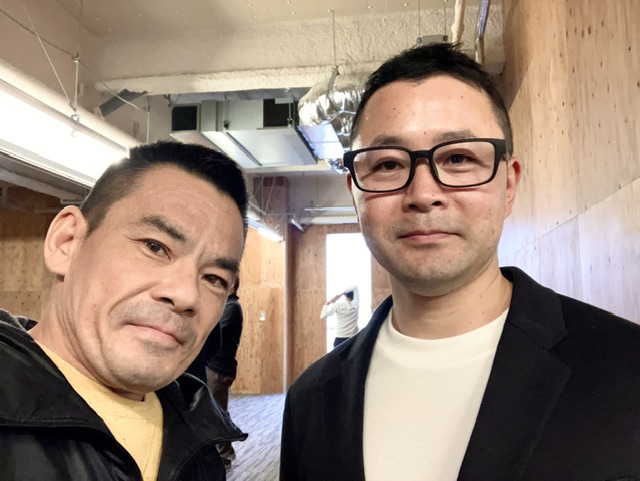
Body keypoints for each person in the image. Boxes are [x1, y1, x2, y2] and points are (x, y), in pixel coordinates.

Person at [280, 42, 640, 481]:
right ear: (355, 193)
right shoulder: (311, 400)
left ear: (509, 184)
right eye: (389, 165)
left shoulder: (626, 368)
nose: (423, 193)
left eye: (458, 158)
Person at [0, 140, 249, 481]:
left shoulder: (202, 443)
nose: (186, 294)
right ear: (66, 242)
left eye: (214, 278)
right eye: (155, 247)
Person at [189, 276, 244, 470]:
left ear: (232, 285)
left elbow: (214, 331)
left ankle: (224, 456)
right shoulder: (228, 306)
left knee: (216, 412)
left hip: (219, 368)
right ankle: (226, 449)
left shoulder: (231, 307)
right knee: (217, 410)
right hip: (217, 366)